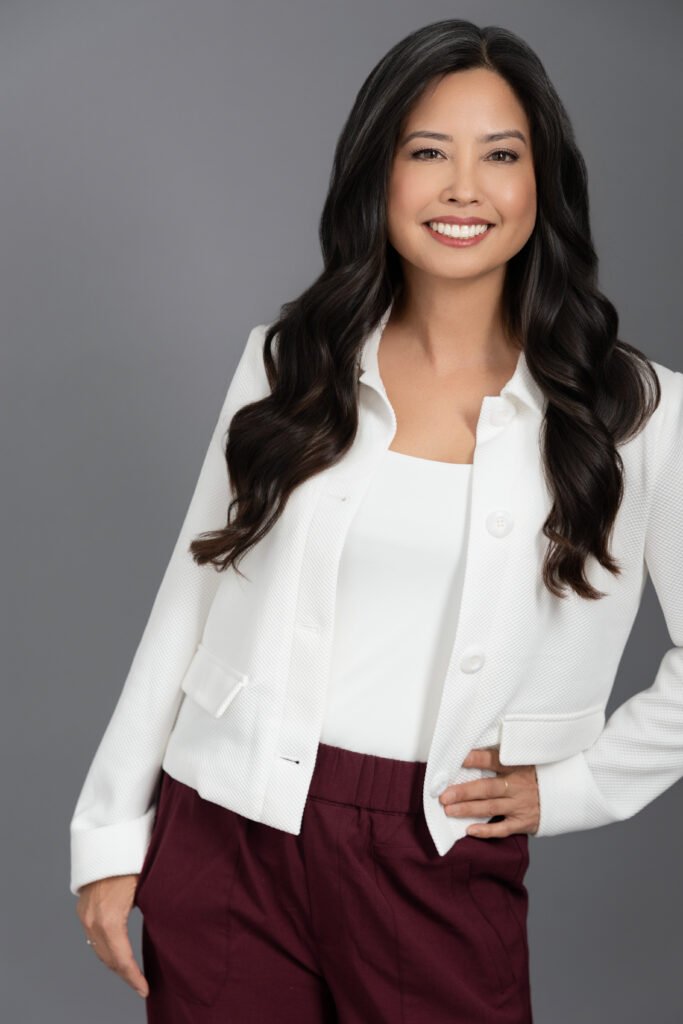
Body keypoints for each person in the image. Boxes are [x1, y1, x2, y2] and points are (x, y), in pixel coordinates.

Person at [70, 18, 683, 1024]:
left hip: (434, 843)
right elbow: (190, 594)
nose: (461, 188)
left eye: (499, 155)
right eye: (426, 152)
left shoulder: (636, 414)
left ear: (543, 184)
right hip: (225, 829)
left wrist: (576, 789)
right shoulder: (288, 363)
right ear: (378, 174)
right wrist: (109, 833)